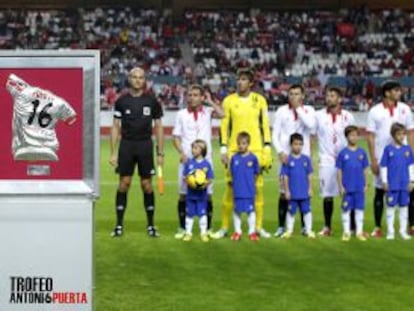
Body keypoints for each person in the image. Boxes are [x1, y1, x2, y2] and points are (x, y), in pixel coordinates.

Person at [214, 68, 272, 239]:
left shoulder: (260, 100)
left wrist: (267, 147)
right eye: (238, 79)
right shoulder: (229, 101)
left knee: (258, 190)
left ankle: (257, 227)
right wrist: (224, 148)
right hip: (234, 151)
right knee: (231, 189)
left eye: (244, 79)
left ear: (251, 83)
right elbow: (224, 126)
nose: (240, 82)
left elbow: (265, 124)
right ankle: (225, 228)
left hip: (256, 150)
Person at [109, 67, 164, 238]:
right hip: (127, 145)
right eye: (135, 77)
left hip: (145, 145)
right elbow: (115, 127)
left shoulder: (152, 101)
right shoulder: (121, 101)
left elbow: (159, 127)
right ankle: (118, 225)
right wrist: (113, 152)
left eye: (141, 77)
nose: (138, 80)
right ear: (129, 79)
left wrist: (160, 152)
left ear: (144, 80)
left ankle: (151, 225)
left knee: (146, 185)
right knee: (124, 184)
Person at [172, 85, 223, 239]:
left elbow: (223, 114)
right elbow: (176, 137)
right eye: (190, 95)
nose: (192, 98)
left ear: (202, 97)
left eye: (195, 95)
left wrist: (210, 101)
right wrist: (181, 153)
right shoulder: (181, 114)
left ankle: (207, 228)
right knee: (183, 195)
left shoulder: (207, 112)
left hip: (205, 162)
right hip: (187, 161)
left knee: (207, 195)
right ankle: (182, 228)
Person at [366, 80, 414, 238]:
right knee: (380, 191)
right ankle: (378, 227)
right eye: (396, 90)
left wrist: (412, 155)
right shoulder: (375, 111)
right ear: (387, 93)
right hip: (382, 158)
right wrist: (373, 159)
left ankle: (411, 226)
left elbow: (411, 133)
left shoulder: (405, 109)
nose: (399, 93)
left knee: (409, 190)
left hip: (403, 158)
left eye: (399, 90)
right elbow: (370, 136)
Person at [272, 84, 316, 237]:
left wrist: (298, 108)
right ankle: (281, 227)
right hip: (286, 158)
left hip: (304, 158)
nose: (293, 96)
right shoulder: (281, 111)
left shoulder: (309, 110)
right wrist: (280, 152)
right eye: (291, 94)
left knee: (304, 192)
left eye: (297, 94)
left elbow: (311, 125)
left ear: (302, 95)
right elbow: (275, 134)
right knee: (284, 193)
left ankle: (306, 227)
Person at [315, 86, 355, 237]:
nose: (329, 98)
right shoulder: (319, 116)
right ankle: (327, 227)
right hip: (326, 160)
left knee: (348, 193)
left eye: (332, 95)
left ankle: (351, 226)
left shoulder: (348, 116)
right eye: (328, 95)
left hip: (345, 160)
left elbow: (352, 137)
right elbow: (313, 135)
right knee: (327, 195)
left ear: (339, 99)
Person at [379, 123, 414, 240]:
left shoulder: (407, 149)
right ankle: (390, 232)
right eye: (399, 134)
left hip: (404, 184)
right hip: (392, 184)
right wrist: (384, 181)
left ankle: (403, 231)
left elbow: (411, 166)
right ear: (393, 135)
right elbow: (383, 166)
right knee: (390, 208)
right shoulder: (388, 149)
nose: (402, 136)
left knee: (404, 208)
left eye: (403, 134)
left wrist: (412, 181)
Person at [336, 125, 369, 242]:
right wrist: (340, 186)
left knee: (359, 209)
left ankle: (359, 232)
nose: (354, 138)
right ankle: (346, 232)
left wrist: (366, 184)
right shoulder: (343, 153)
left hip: (359, 187)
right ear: (347, 137)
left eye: (356, 135)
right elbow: (339, 170)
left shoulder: (362, 152)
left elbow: (365, 169)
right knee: (346, 209)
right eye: (351, 135)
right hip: (347, 187)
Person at [280, 133, 315, 239]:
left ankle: (309, 230)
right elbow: (285, 176)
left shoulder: (306, 159)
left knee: (307, 211)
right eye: (295, 144)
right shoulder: (287, 160)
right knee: (291, 211)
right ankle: (289, 231)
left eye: (300, 144)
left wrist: (310, 188)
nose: (298, 146)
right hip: (293, 192)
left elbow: (309, 175)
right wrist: (286, 191)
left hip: (304, 192)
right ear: (291, 145)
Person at [229, 132, 260, 241]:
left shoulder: (253, 158)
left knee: (250, 211)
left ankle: (252, 232)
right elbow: (232, 173)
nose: (241, 146)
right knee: (237, 211)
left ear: (248, 144)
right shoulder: (234, 158)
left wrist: (252, 185)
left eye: (243, 143)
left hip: (249, 191)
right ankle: (237, 232)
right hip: (238, 190)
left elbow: (256, 173)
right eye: (239, 143)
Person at [182, 140, 214, 242]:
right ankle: (188, 233)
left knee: (202, 214)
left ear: (202, 150)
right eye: (193, 148)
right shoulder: (189, 163)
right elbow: (185, 177)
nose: (193, 150)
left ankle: (203, 233)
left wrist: (203, 185)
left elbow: (210, 179)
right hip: (190, 195)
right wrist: (190, 182)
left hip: (201, 196)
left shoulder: (206, 164)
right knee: (189, 214)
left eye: (196, 148)